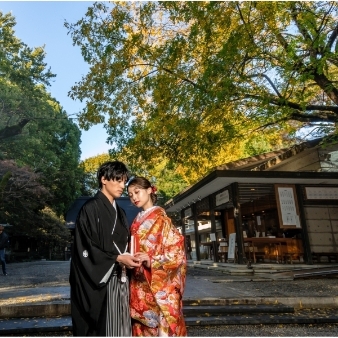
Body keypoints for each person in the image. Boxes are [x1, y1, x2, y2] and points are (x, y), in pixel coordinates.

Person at [69, 161, 142, 336]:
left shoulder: (121, 213)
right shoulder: (89, 209)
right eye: (117, 180)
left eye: (123, 181)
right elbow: (85, 247)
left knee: (121, 326)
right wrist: (116, 258)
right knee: (104, 327)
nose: (121, 186)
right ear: (103, 179)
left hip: (121, 277)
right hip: (100, 278)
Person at [127, 177, 187, 337]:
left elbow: (177, 253)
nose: (134, 197)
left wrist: (151, 259)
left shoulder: (162, 220)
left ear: (149, 190)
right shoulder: (136, 221)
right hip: (138, 285)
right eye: (130, 194)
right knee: (141, 328)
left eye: (137, 192)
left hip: (155, 284)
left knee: (158, 328)